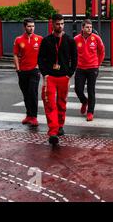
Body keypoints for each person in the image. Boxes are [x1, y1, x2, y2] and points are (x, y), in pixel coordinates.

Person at [38, 14, 77, 146]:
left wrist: (69, 74)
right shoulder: (46, 41)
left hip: (64, 77)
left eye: (62, 24)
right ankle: (53, 132)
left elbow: (75, 60)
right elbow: (40, 59)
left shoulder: (70, 41)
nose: (60, 26)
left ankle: (60, 125)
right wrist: (45, 74)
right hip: (50, 77)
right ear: (52, 24)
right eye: (57, 24)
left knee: (61, 103)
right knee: (50, 104)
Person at [13, 17, 43, 127]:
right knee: (26, 94)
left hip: (34, 71)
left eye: (33, 26)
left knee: (33, 92)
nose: (31, 28)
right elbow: (15, 55)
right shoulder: (18, 39)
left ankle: (34, 117)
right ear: (24, 27)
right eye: (29, 26)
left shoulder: (39, 39)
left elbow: (43, 54)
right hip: (22, 71)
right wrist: (18, 69)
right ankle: (28, 115)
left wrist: (38, 66)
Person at [74, 19, 105, 121]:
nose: (89, 29)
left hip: (92, 68)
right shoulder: (76, 39)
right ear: (82, 28)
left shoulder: (96, 38)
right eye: (87, 27)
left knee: (91, 90)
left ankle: (90, 112)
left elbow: (102, 51)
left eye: (91, 27)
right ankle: (84, 101)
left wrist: (97, 64)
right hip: (80, 68)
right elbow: (72, 53)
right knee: (78, 89)